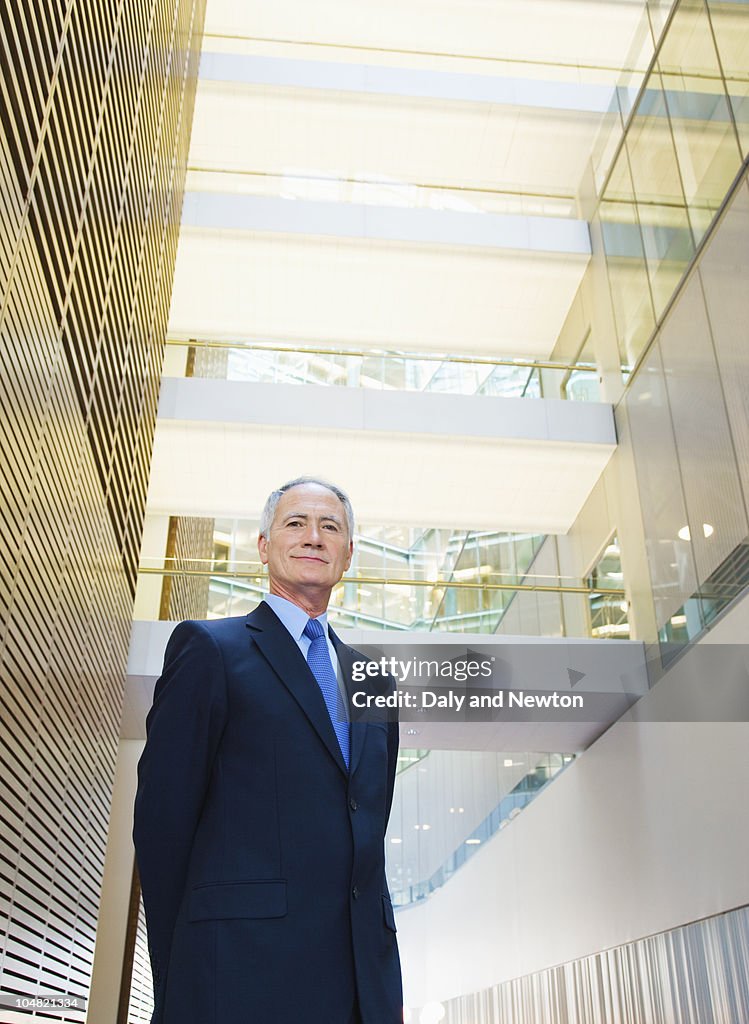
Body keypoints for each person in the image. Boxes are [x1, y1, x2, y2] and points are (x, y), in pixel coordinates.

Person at [133, 477, 402, 1024]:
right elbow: (162, 824)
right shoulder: (210, 649)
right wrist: (180, 977)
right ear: (263, 545)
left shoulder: (375, 681)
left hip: (360, 987)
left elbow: (365, 827)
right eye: (295, 523)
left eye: (331, 527)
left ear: (348, 554)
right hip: (239, 977)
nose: (314, 537)